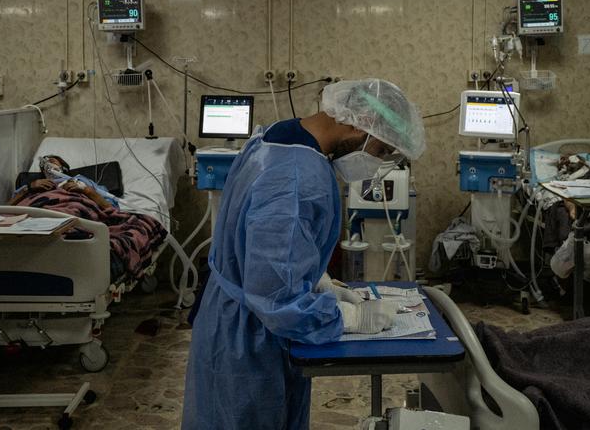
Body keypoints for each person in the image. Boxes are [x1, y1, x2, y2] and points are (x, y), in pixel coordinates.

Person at [182, 79, 426, 430]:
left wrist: (318, 281)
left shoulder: (277, 136)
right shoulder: (298, 177)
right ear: (357, 124)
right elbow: (275, 298)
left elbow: (267, 245)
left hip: (231, 315)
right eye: (382, 152)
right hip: (249, 340)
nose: (377, 164)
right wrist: (349, 319)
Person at [8, 155, 119, 209]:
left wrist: (86, 191)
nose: (47, 164)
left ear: (63, 168)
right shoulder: (31, 186)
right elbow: (5, 209)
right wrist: (28, 188)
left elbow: (112, 208)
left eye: (52, 161)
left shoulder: (81, 180)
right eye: (43, 165)